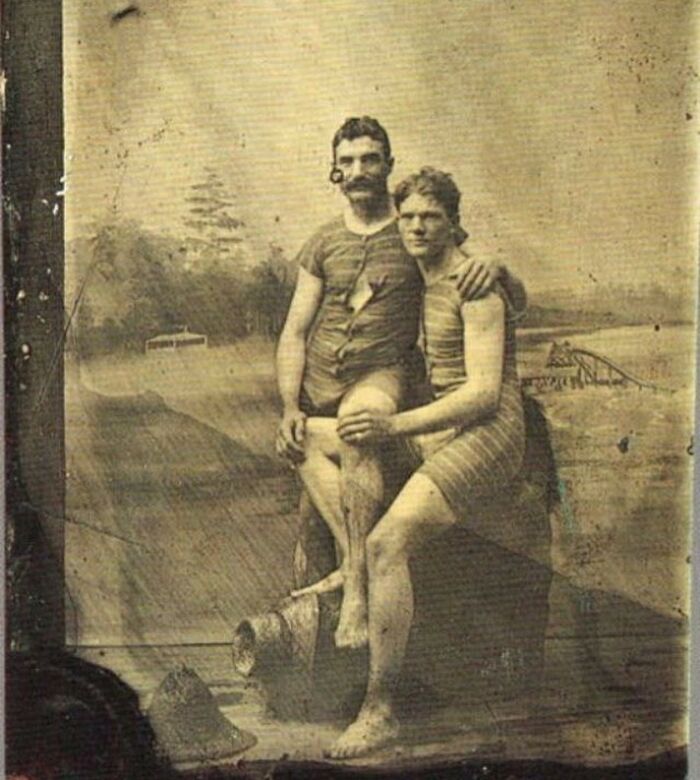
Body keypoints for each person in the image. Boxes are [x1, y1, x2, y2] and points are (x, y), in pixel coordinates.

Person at [295, 168, 526, 758]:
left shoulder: (474, 284)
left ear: (453, 223)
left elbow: (484, 395)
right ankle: (352, 573)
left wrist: (394, 426)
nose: (418, 227)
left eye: (432, 217)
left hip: (489, 433)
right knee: (310, 440)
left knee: (387, 544)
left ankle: (380, 711)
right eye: (410, 218)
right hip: (442, 424)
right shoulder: (415, 271)